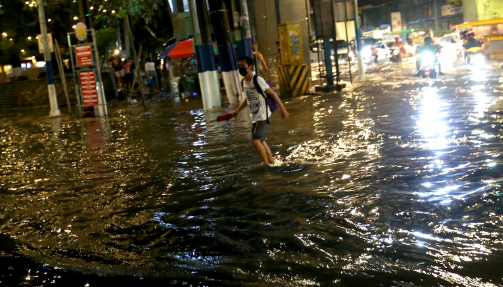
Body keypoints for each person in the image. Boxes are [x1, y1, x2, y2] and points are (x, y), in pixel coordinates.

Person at [232, 56, 289, 165]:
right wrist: (237, 111)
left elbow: (273, 94)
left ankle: (266, 165)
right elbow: (247, 99)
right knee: (262, 141)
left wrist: (283, 110)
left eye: (243, 66)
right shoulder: (244, 82)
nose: (240, 68)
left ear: (250, 67)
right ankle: (271, 162)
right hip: (254, 116)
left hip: (263, 115)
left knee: (255, 142)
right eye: (239, 66)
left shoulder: (258, 80)